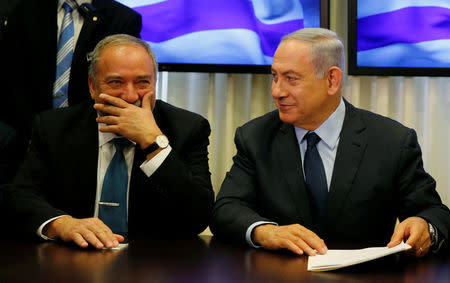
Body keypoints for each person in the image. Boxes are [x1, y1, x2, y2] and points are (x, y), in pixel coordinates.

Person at [210, 28, 450, 258]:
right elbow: (226, 209)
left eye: (291, 79)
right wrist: (267, 232)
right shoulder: (256, 137)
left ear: (332, 80)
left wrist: (425, 226)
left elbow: (435, 214)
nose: (276, 91)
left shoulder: (391, 141)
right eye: (274, 77)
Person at [5, 34, 214, 249]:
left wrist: (153, 142)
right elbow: (19, 197)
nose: (131, 95)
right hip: (73, 259)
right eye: (116, 82)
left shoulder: (187, 128)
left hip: (152, 262)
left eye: (143, 82)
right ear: (92, 86)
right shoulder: (54, 128)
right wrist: (62, 224)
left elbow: (198, 216)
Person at [0, 0, 142, 166]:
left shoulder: (122, 18)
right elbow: (11, 80)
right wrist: (30, 134)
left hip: (91, 146)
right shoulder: (22, 10)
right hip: (26, 145)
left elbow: (121, 89)